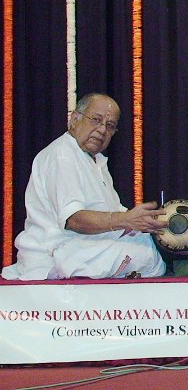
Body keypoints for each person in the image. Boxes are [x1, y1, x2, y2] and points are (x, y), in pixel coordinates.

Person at [1, 93, 166, 280]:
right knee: (147, 256)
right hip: (56, 255)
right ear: (74, 119)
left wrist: (144, 221)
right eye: (96, 120)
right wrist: (125, 220)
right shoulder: (62, 156)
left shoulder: (95, 162)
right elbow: (74, 220)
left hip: (84, 250)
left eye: (109, 126)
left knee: (152, 243)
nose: (102, 130)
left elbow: (116, 213)